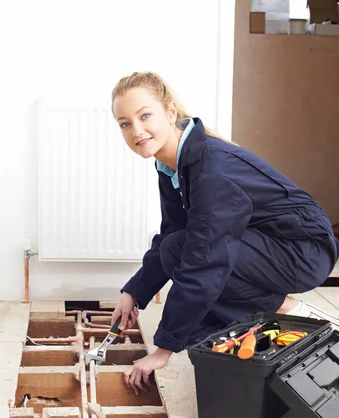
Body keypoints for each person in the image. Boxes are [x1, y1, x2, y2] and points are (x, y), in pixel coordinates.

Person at [110, 71, 339, 395]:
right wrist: (134, 292)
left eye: (145, 115)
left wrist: (163, 350)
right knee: (176, 246)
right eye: (125, 123)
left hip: (302, 249)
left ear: (170, 113)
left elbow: (205, 264)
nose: (137, 130)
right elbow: (173, 234)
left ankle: (291, 311)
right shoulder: (171, 166)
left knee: (193, 258)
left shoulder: (211, 170)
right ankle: (260, 319)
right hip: (269, 243)